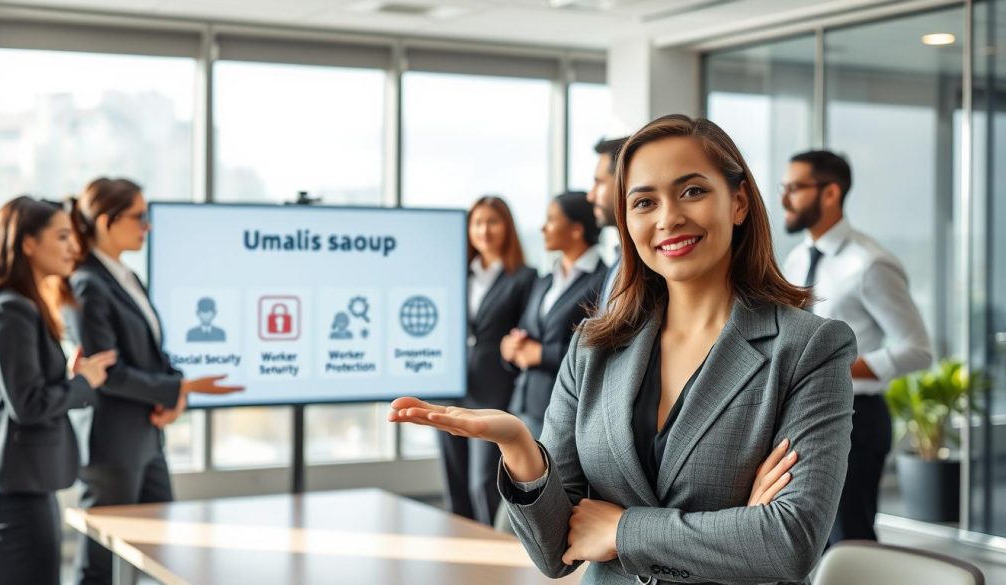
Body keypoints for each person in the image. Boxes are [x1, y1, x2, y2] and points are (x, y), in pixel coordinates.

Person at [391, 115, 855, 584]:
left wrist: (621, 530)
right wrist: (518, 447)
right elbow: (554, 553)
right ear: (627, 222)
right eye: (644, 202)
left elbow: (788, 541)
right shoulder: (594, 347)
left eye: (692, 191)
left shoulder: (807, 347)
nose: (668, 217)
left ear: (737, 202)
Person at [65, 177, 243, 585]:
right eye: (140, 216)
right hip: (111, 446)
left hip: (146, 436)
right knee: (100, 564)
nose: (148, 226)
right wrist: (181, 388)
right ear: (107, 221)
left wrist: (175, 392)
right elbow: (108, 373)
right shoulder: (86, 284)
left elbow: (152, 353)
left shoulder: (126, 276)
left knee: (160, 551)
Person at [780, 150, 932, 544]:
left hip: (857, 417)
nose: (784, 199)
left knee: (850, 538)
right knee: (805, 538)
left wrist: (833, 368)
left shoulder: (870, 263)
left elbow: (918, 349)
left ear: (830, 193)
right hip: (802, 414)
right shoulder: (795, 261)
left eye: (795, 188)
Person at [0, 196, 115, 585]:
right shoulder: (11, 310)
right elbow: (28, 405)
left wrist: (69, 380)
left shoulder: (17, 306)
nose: (73, 247)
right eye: (61, 236)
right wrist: (83, 384)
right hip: (16, 486)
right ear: (27, 243)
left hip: (20, 483)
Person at [439, 196, 537, 526]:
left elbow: (523, 333)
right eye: (477, 222)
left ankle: (491, 554)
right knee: (454, 480)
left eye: (493, 222)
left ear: (507, 227)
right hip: (449, 387)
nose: (484, 230)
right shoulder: (454, 275)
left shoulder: (524, 278)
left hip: (493, 391)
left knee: (482, 482)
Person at [501, 191, 605, 441]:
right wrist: (510, 348)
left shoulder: (603, 281)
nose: (543, 227)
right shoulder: (546, 280)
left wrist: (541, 354)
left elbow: (601, 351)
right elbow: (525, 331)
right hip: (523, 404)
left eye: (551, 219)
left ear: (576, 229)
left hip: (561, 410)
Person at [587, 136, 629, 311]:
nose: (590, 196)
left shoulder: (650, 268)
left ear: (624, 183)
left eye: (600, 182)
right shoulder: (619, 260)